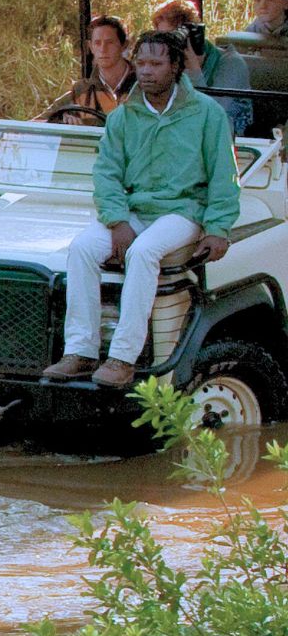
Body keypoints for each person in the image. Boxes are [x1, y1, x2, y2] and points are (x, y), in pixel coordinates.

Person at [44, 29, 241, 389]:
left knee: (144, 251)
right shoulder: (123, 117)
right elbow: (105, 175)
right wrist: (117, 219)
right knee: (82, 248)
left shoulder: (207, 114)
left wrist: (218, 229)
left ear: (176, 66)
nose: (147, 71)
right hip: (134, 207)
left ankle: (122, 358)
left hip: (183, 210)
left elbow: (224, 177)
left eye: (156, 63)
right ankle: (81, 350)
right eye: (142, 63)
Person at [153, 0, 253, 135]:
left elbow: (212, 117)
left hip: (227, 138)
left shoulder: (230, 63)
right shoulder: (167, 63)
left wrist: (194, 71)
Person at [63, 15, 135, 116]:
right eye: (97, 43)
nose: (103, 49)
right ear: (90, 47)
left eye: (109, 43)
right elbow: (38, 124)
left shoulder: (144, 85)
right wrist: (63, 120)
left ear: (124, 45)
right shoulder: (80, 91)